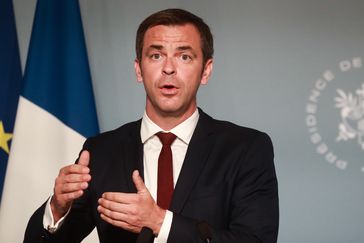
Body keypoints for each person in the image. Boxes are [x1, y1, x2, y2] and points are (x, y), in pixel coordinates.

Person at [24, 8, 279, 243]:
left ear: (206, 71)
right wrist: (56, 208)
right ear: (138, 69)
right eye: (156, 55)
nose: (168, 68)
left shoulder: (246, 149)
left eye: (185, 56)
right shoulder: (101, 152)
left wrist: (160, 222)